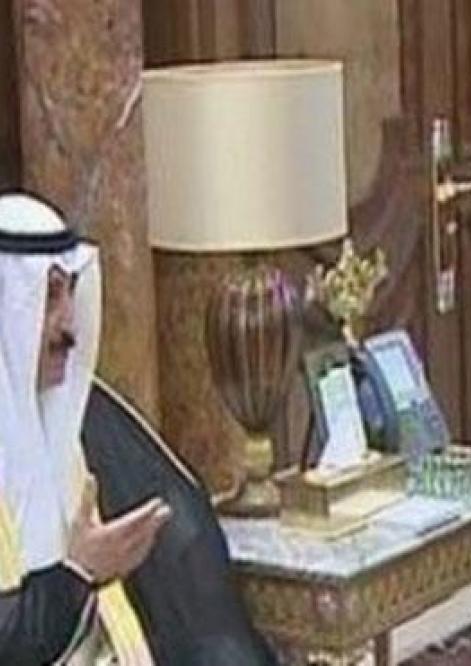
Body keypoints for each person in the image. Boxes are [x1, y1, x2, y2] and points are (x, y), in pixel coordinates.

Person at [0, 192, 277, 664]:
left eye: (70, 292)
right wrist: (79, 573)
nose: (69, 327)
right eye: (47, 298)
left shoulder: (84, 418)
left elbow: (181, 534)